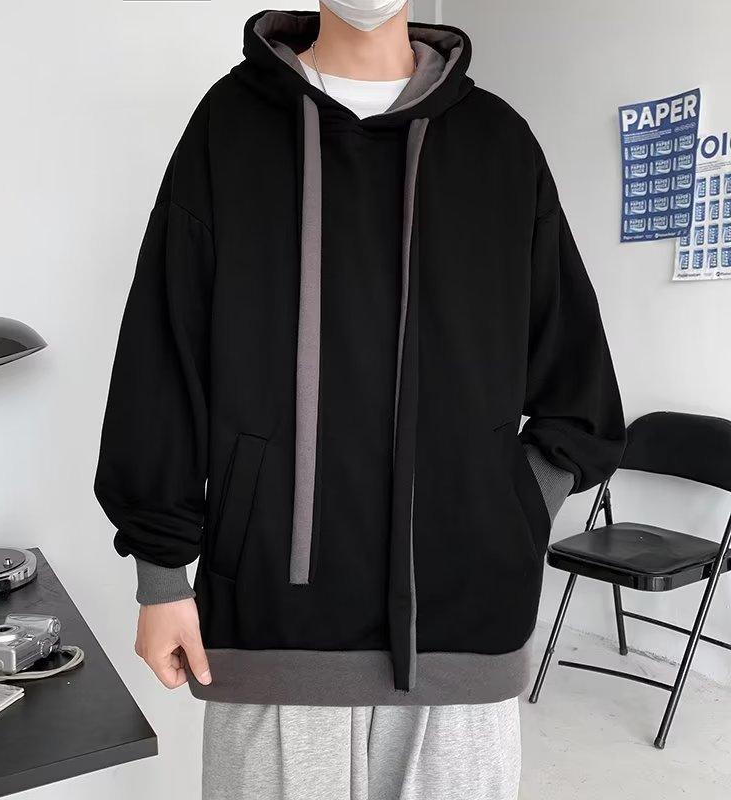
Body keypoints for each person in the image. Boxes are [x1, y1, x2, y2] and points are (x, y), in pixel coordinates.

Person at [95, 3, 626, 798]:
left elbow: (579, 390)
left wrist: (510, 510)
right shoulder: (229, 128)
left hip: (464, 637)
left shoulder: (499, 143)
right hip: (274, 629)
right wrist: (162, 572)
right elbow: (162, 356)